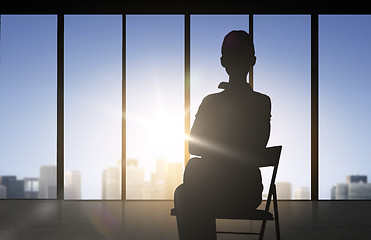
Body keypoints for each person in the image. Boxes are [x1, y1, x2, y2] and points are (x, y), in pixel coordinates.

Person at [174, 30, 272, 240]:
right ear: (252, 61)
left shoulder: (211, 102)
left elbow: (195, 146)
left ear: (222, 61)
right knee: (192, 192)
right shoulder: (261, 102)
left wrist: (216, 145)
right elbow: (257, 147)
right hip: (245, 189)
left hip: (216, 186)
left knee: (187, 194)